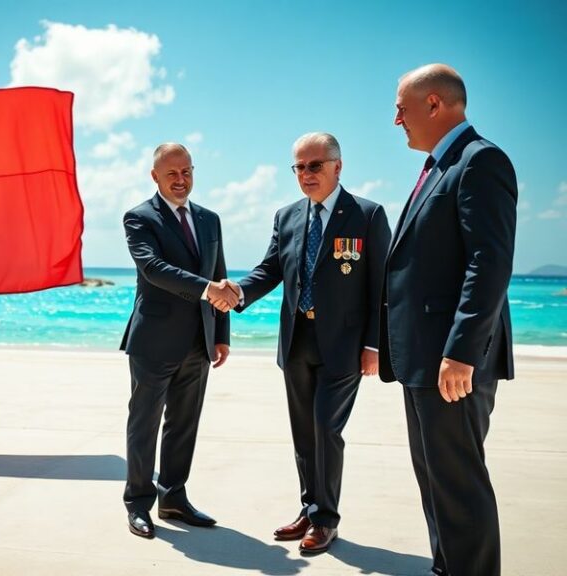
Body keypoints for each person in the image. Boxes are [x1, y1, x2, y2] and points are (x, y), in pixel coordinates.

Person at [213, 132, 390, 555]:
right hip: (296, 341)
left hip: (344, 346)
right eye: (299, 167)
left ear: (337, 166)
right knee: (304, 433)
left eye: (315, 165)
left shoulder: (367, 214)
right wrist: (237, 291)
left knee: (327, 428)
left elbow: (381, 285)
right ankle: (310, 509)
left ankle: (326, 519)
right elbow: (270, 268)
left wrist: (375, 345)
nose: (306, 174)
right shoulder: (287, 216)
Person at [380, 64, 517, 576]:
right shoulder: (439, 166)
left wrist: (461, 351)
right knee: (436, 481)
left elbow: (490, 262)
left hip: (451, 363)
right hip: (423, 359)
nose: (397, 120)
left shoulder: (479, 162)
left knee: (458, 484)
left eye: (401, 107)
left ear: (434, 104)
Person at [120, 142, 237, 539]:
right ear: (155, 176)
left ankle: (173, 498)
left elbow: (218, 271)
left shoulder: (210, 219)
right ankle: (138, 503)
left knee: (184, 424)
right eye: (172, 173)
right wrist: (208, 289)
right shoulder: (139, 218)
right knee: (144, 424)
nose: (181, 179)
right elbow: (154, 269)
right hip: (153, 341)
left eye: (187, 171)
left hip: (199, 341)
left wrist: (220, 334)